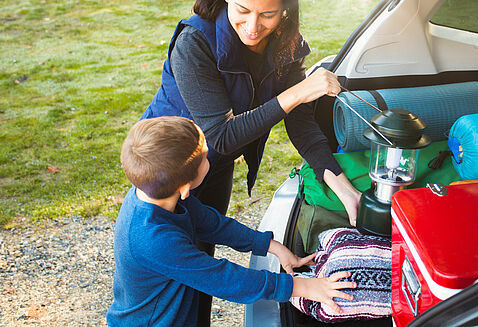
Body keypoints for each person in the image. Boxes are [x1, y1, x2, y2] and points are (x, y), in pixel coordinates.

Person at [140, 0, 361, 323]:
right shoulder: (195, 42)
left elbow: (300, 123)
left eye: (267, 14)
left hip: (211, 167)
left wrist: (341, 186)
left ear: (285, 9)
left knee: (203, 254)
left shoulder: (285, 41)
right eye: (243, 10)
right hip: (168, 169)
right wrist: (297, 92)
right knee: (169, 285)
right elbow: (223, 135)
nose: (254, 26)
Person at [106, 117, 357, 327]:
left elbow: (211, 224)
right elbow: (224, 278)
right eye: (205, 157)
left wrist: (273, 246)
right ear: (184, 187)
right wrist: (303, 287)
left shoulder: (158, 194)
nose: (210, 157)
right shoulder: (153, 239)